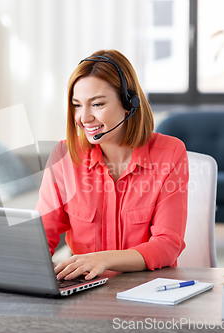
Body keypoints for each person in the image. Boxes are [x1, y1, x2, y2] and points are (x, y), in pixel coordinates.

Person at [35, 49, 188, 282]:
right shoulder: (64, 155)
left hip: (148, 289)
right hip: (86, 289)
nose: (84, 118)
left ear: (129, 104)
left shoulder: (170, 153)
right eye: (77, 105)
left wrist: (105, 259)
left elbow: (168, 244)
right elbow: (40, 237)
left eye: (97, 104)